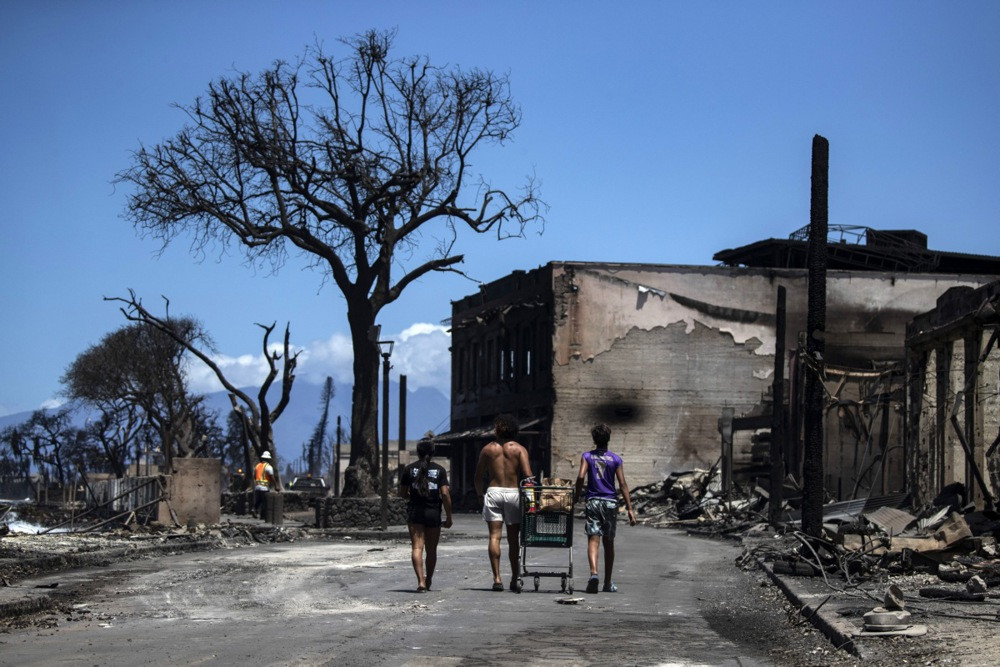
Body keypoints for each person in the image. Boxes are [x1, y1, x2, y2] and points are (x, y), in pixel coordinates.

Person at [574, 423, 637, 594]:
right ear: (608, 439)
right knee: (609, 543)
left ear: (594, 440)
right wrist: (630, 509)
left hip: (593, 501)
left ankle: (594, 573)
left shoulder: (587, 456)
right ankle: (607, 583)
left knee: (593, 539)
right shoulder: (615, 459)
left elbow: (580, 476)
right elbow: (622, 484)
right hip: (610, 502)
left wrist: (576, 495)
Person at [475, 413, 533, 592]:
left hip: (493, 492)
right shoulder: (519, 449)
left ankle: (497, 578)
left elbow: (478, 477)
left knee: (494, 537)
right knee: (513, 539)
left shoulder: (488, 449)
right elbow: (528, 475)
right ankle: (515, 577)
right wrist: (531, 501)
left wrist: (480, 495)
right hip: (513, 493)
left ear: (498, 429)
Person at [399, 439, 453, 592]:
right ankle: (428, 579)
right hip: (433, 513)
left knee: (417, 548)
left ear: (418, 452)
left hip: (415, 512)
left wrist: (414, 497)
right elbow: (445, 494)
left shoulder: (409, 469)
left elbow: (403, 493)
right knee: (431, 550)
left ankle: (420, 581)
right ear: (433, 452)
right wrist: (449, 516)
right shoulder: (440, 470)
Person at [252, 451, 279, 519]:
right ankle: (263, 516)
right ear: (268, 459)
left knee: (258, 500)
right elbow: (272, 477)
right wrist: (276, 485)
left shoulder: (257, 466)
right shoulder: (268, 467)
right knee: (265, 502)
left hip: (257, 486)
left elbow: (254, 476)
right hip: (264, 487)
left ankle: (254, 509)